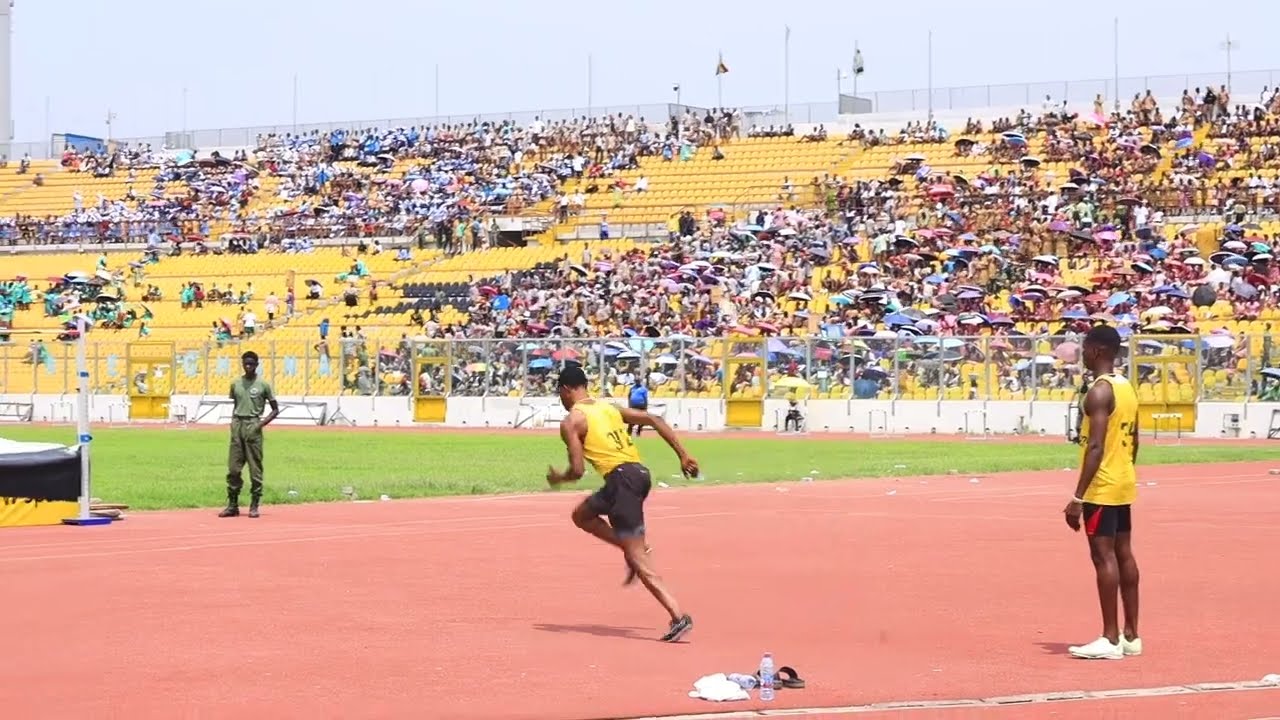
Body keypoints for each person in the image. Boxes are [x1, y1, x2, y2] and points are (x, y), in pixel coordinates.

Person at [546, 365, 696, 643]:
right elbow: (653, 419)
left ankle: (678, 615)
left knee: (638, 557)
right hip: (638, 475)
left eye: (560, 393)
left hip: (621, 482)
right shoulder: (608, 408)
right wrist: (683, 455)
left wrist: (559, 478)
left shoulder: (572, 421)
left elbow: (577, 471)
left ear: (565, 390)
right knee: (581, 515)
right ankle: (628, 546)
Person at [1063, 325, 1142, 660]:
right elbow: (1135, 440)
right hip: (1123, 479)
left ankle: (1110, 638)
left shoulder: (1099, 391)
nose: (1082, 354)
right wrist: (1124, 470)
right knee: (1124, 554)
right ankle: (1131, 635)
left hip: (1102, 486)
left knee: (1103, 556)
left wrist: (1078, 498)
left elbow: (1095, 447)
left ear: (1097, 350)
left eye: (1084, 348)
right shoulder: (1126, 387)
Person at [220, 351, 280, 518]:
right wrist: (234, 423)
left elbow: (275, 409)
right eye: (246, 363)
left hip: (253, 424)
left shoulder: (263, 385)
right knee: (233, 468)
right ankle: (233, 504)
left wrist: (260, 424)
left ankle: (254, 504)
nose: (248, 366)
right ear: (242, 364)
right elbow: (237, 403)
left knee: (255, 469)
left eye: (252, 364)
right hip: (237, 424)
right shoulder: (236, 383)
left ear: (256, 365)